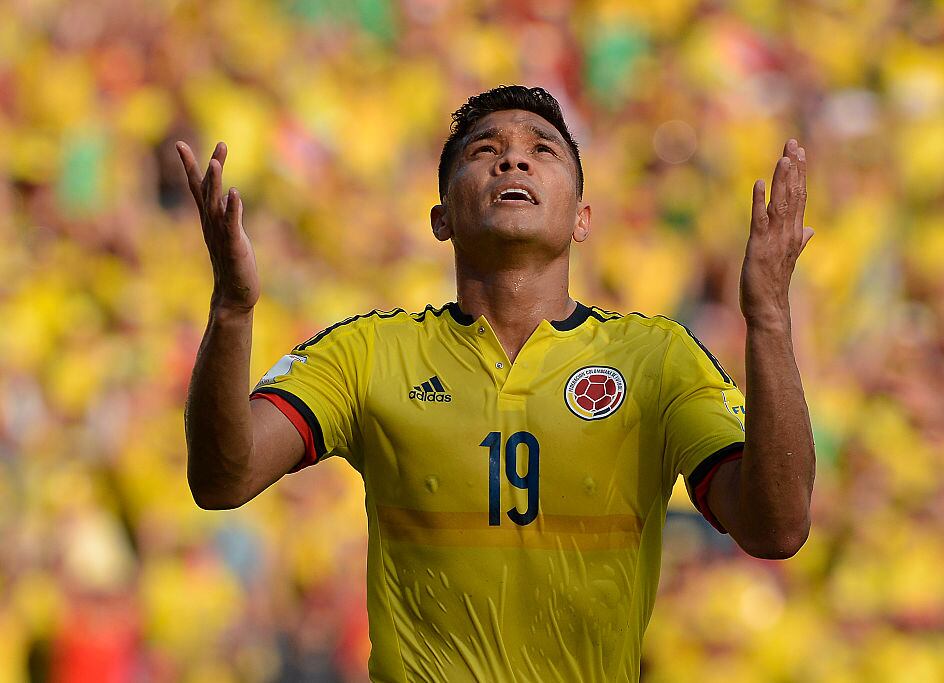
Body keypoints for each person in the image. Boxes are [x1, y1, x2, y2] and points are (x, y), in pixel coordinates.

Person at [178, 85, 816, 682]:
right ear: (441, 218)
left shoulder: (657, 357)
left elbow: (776, 530)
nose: (515, 161)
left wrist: (769, 321)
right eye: (487, 151)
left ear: (582, 219)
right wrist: (232, 311)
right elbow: (222, 479)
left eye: (543, 150)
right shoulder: (368, 351)